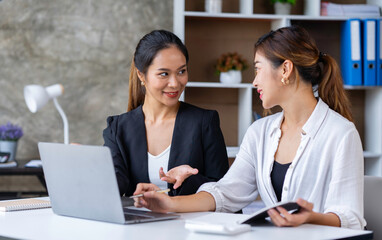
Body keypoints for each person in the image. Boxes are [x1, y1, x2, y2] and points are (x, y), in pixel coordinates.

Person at [132, 26, 366, 230]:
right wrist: (169, 203)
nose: (254, 81)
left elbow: (350, 218)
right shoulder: (260, 132)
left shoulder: (341, 134)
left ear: (285, 70)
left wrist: (310, 218)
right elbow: (226, 193)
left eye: (258, 69)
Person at [103, 30, 229, 197]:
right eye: (164, 74)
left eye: (181, 71)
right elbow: (114, 186)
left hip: (189, 222)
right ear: (141, 75)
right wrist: (89, 165)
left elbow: (224, 193)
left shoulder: (204, 122)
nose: (175, 83)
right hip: (138, 223)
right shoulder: (118, 128)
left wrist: (189, 180)